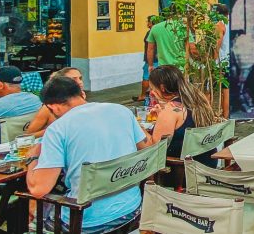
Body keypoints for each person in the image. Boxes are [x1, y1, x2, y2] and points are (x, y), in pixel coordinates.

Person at [26, 76, 149, 233]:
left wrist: (33, 158)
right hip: (133, 208)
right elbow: (146, 147)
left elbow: (39, 189)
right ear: (82, 94)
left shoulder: (57, 129)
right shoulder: (121, 110)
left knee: (34, 213)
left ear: (53, 107)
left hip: (86, 220)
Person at [143, 65, 219, 167]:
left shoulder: (170, 111)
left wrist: (137, 127)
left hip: (182, 172)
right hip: (207, 163)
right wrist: (162, 115)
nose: (151, 93)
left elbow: (155, 149)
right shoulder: (198, 99)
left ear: (162, 88)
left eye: (152, 88)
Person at [26, 67, 84, 138]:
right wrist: (53, 130)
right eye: (73, 79)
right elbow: (27, 136)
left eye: (80, 78)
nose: (80, 82)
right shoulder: (48, 108)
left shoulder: (82, 102)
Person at [134, 16, 160, 102]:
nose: (147, 23)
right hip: (158, 58)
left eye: (148, 21)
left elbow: (150, 48)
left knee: (146, 77)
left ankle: (143, 95)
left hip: (152, 59)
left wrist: (150, 62)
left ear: (151, 23)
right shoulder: (159, 31)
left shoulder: (151, 32)